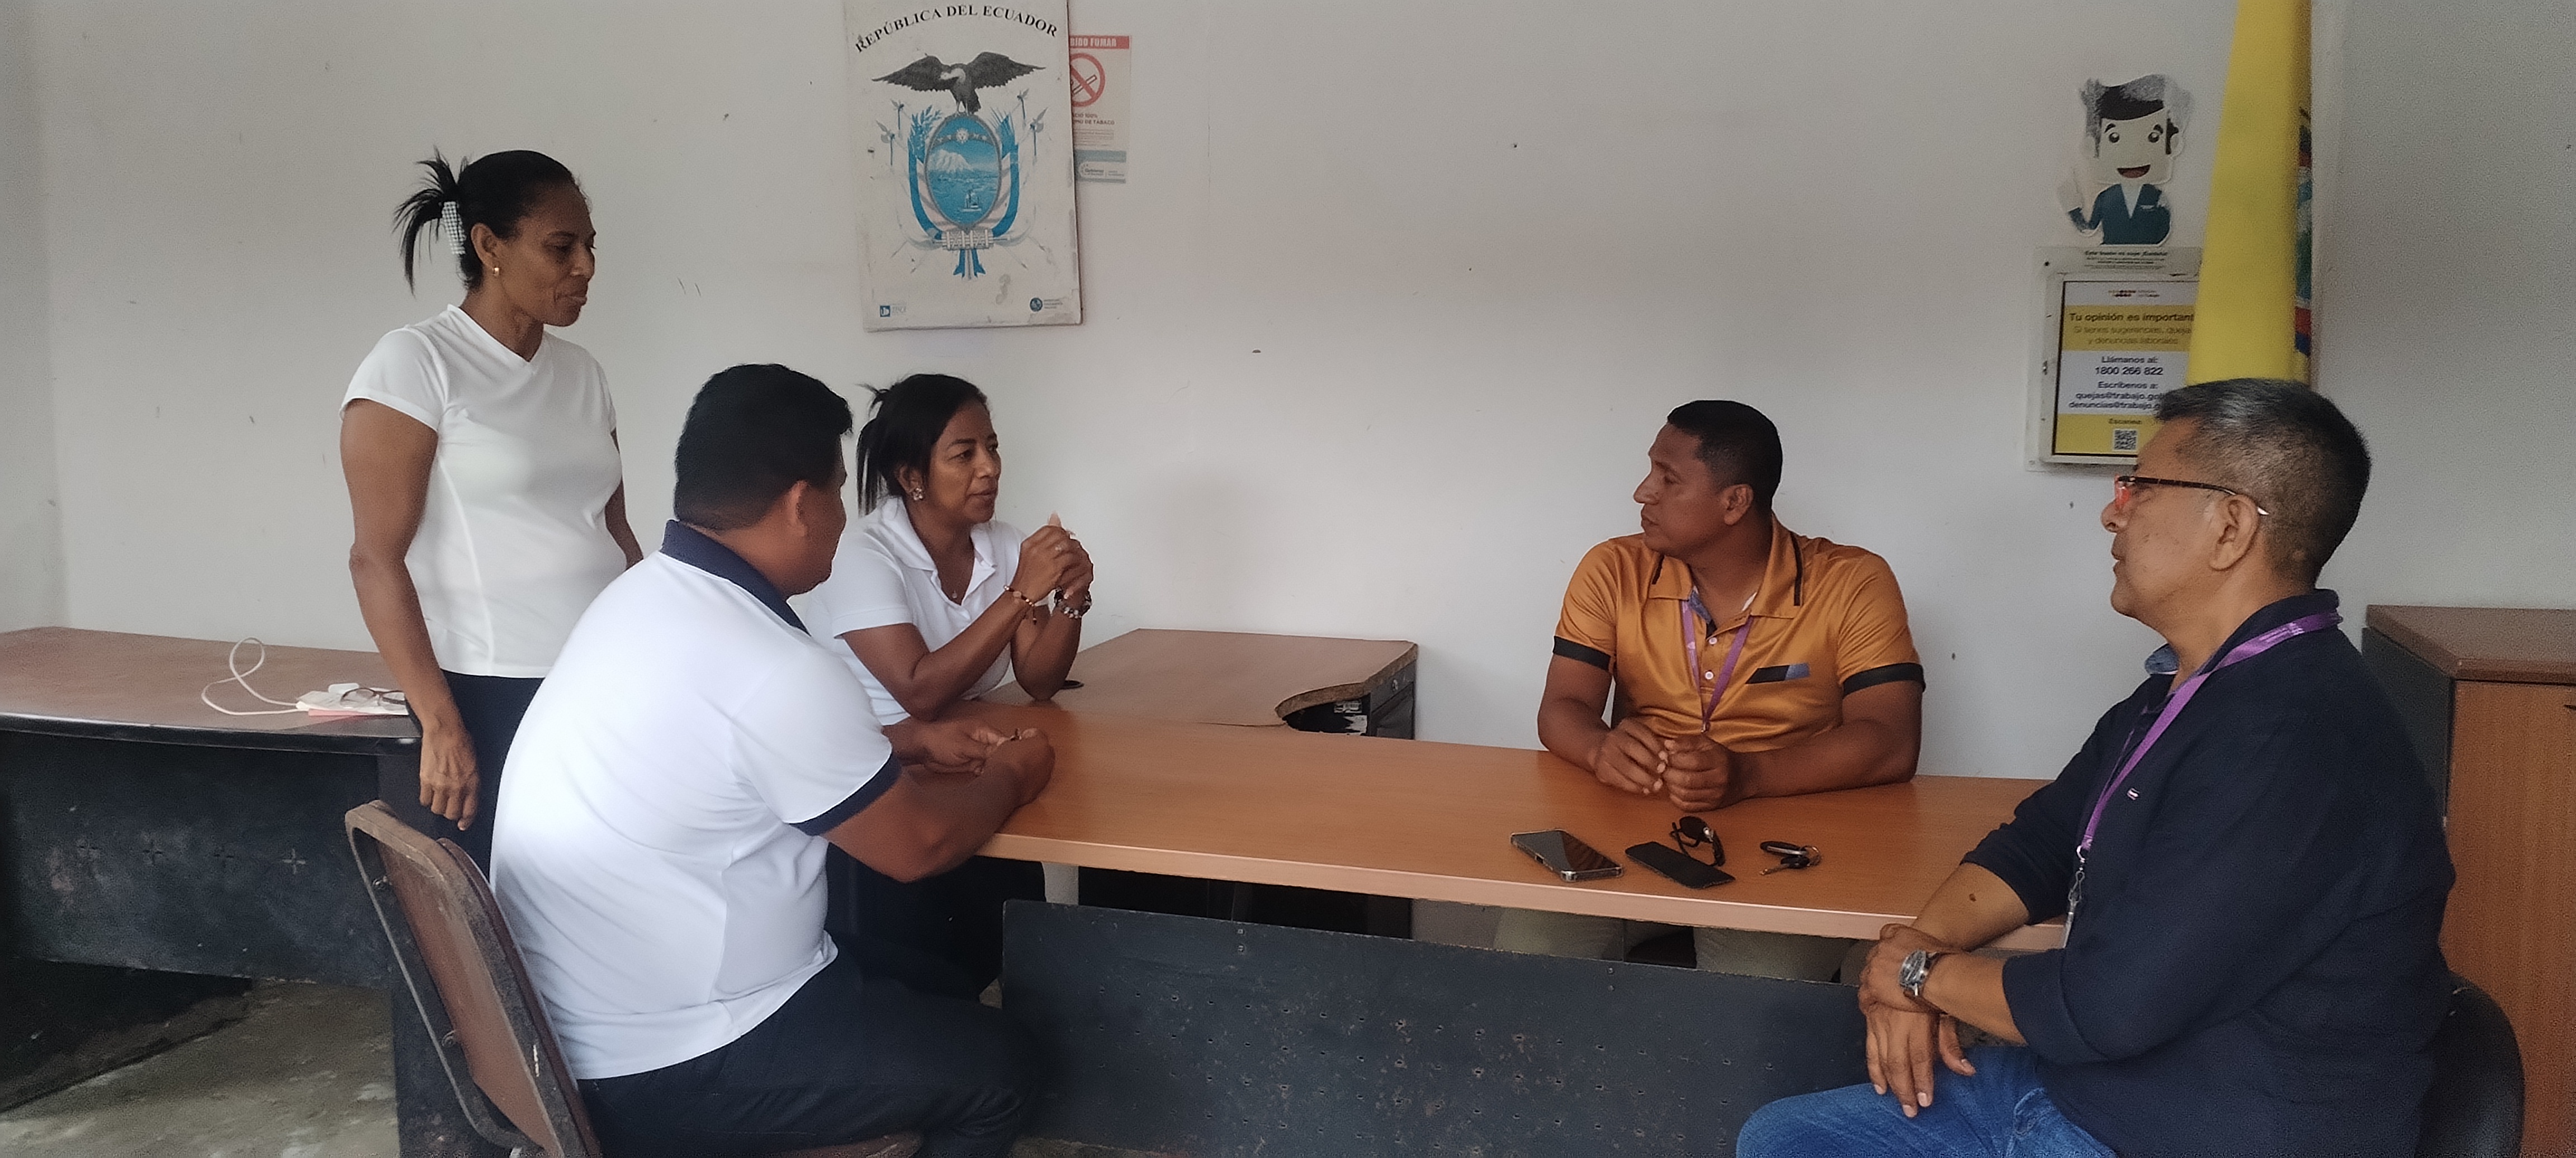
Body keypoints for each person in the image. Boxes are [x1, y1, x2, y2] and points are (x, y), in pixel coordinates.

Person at [1739, 380, 2454, 1157]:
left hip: (2206, 1126)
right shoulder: (2187, 690)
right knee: (1786, 1139)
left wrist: (1916, 973)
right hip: (2087, 1089)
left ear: (2230, 526)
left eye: (2140, 486)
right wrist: (1918, 946)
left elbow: (2108, 1006)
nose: (2113, 513)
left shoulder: (2297, 735)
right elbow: (2039, 844)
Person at [491, 364, 1050, 1158]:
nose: (842, 520)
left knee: (941, 982)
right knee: (1004, 1065)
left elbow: (720, 753)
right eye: (837, 493)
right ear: (799, 504)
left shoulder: (640, 599)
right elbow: (917, 845)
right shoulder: (772, 661)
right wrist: (1014, 775)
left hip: (566, 1023)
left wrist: (907, 741)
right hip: (678, 1056)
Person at [1494, 400, 1925, 979]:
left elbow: (1891, 741)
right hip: (1631, 827)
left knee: (1757, 987)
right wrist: (1599, 749)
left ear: (1734, 502)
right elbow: (1562, 708)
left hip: (1786, 837)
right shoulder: (1612, 568)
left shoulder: (1852, 583)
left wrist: (1749, 774)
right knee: (1526, 954)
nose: (1643, 492)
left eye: (1668, 478)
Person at [341, 150, 640, 867]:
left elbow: (614, 531)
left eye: (590, 246)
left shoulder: (583, 373)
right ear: (488, 246)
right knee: (504, 893)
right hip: (489, 690)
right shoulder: (416, 364)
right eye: (561, 248)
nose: (586, 267)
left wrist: (651, 649)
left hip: (600, 678)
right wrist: (442, 723)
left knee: (600, 881)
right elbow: (375, 559)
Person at [799, 373, 1089, 994]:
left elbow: (1040, 679)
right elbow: (920, 691)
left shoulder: (1002, 544)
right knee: (925, 980)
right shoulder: (863, 554)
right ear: (913, 476)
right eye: (965, 454)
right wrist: (1021, 593)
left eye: (993, 447)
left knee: (1009, 954)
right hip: (886, 783)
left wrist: (1071, 598)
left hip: (970, 761)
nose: (990, 468)